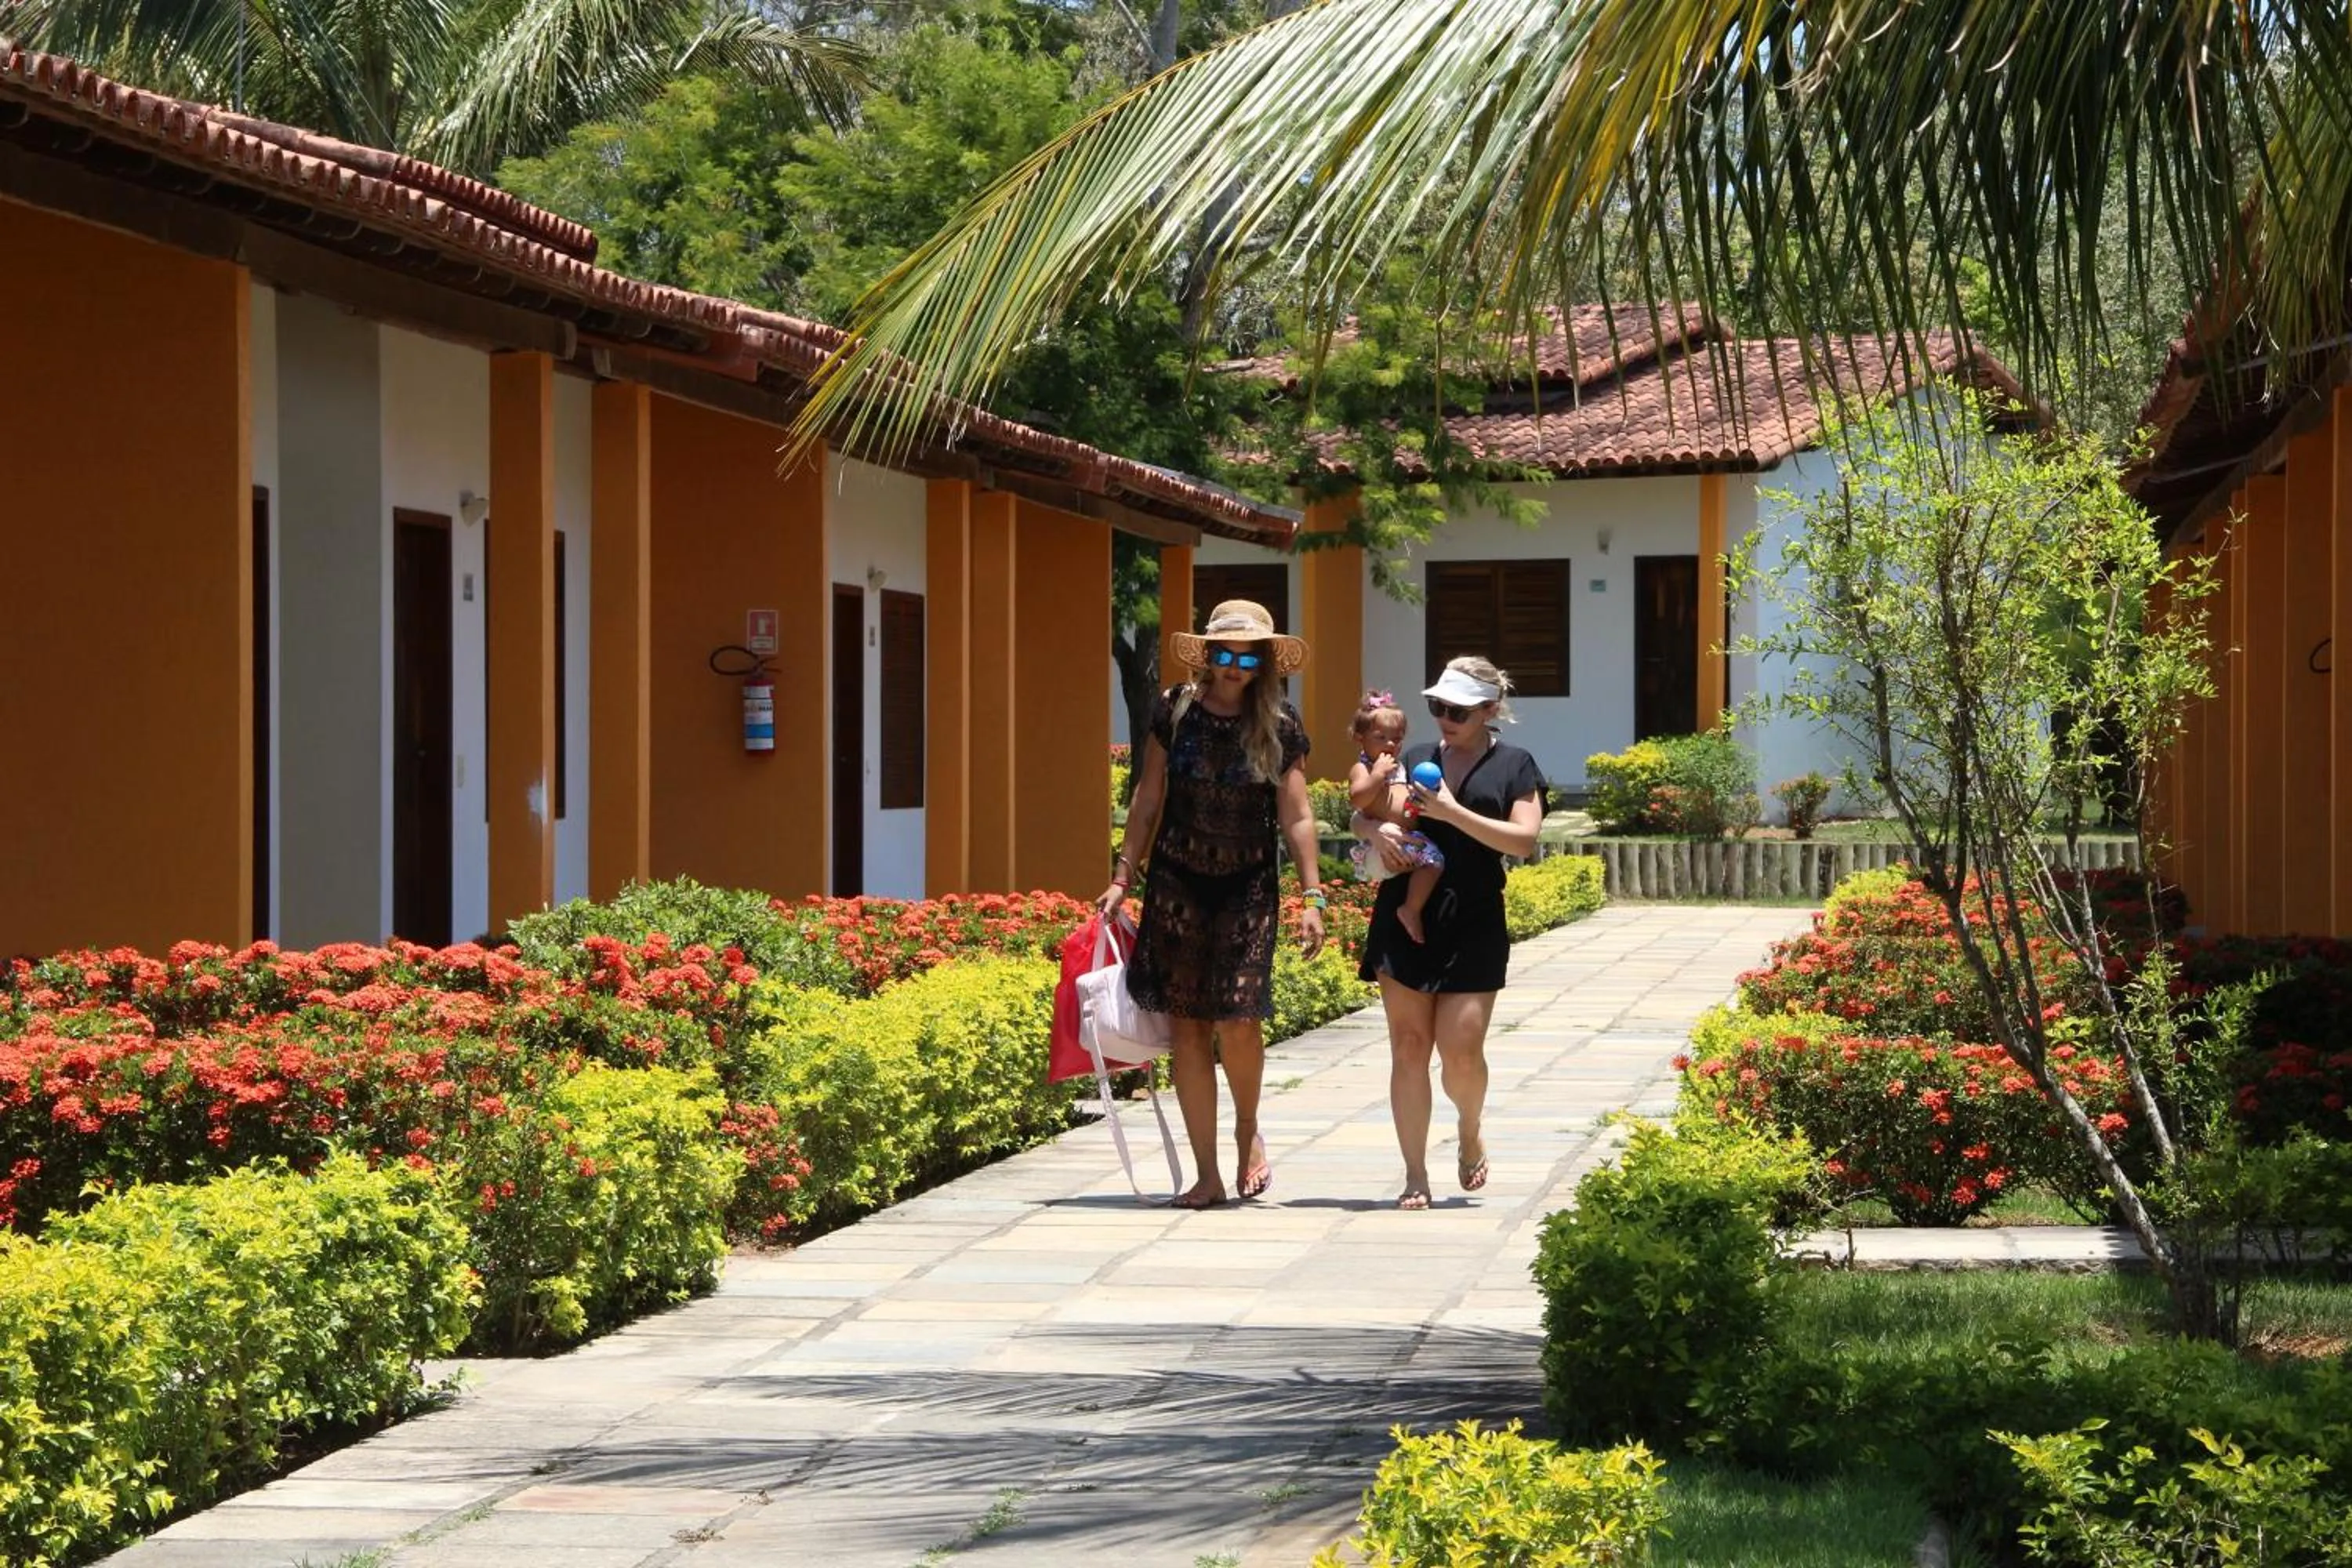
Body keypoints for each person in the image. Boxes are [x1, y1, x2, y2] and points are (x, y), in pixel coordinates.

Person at [1100, 600, 1327, 1209]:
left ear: (1264, 662)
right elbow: (1148, 798)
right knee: (1190, 1029)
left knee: (1238, 1019)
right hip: (1178, 884)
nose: (1234, 667)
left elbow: (1297, 813)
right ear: (1207, 656)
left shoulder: (1279, 722)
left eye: (1247, 657)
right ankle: (1206, 1174)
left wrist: (1313, 894)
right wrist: (1124, 876)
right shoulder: (1175, 711)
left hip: (1248, 885)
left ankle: (1247, 1129)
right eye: (1224, 655)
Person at [1352, 655, 1547, 1210]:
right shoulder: (1413, 759)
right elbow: (1367, 808)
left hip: (1475, 918)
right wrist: (1372, 828)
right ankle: (1415, 1175)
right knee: (1409, 1047)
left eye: (1459, 709)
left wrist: (1452, 811)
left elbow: (1522, 840)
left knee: (1461, 1052)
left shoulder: (1515, 764)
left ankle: (1468, 1128)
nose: (1445, 717)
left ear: (1489, 710)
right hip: (1406, 913)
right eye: (1438, 706)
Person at [1345, 689, 1445, 943]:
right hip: (1381, 845)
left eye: (1397, 739)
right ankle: (1409, 908)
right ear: (1360, 737)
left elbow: (1397, 798)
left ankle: (1411, 909)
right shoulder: (1363, 768)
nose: (1390, 744)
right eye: (1381, 737)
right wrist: (1377, 776)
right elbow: (1358, 799)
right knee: (1410, 861)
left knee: (1435, 862)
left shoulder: (1400, 767)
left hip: (1407, 838)